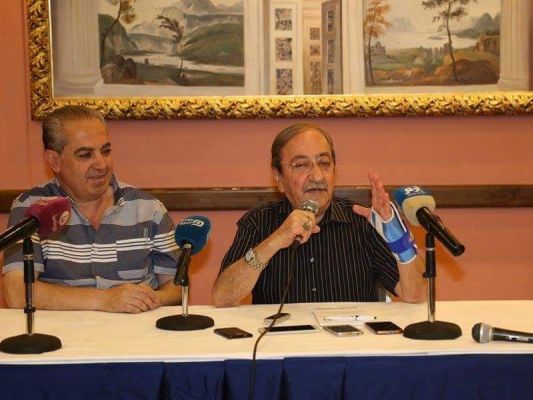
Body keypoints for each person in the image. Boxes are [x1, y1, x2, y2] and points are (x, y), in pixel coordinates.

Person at [212, 122, 427, 306]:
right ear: (278, 177)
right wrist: (275, 240)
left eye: (324, 163)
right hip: (282, 340)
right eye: (301, 165)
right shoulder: (258, 221)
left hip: (352, 341)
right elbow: (222, 297)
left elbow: (417, 295)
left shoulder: (362, 221)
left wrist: (399, 240)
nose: (317, 176)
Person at [1, 106, 181, 313]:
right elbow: (17, 292)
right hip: (62, 332)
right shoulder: (32, 209)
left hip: (135, 329)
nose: (101, 164)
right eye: (85, 155)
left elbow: (177, 286)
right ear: (54, 161)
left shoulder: (149, 209)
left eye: (106, 151)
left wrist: (150, 298)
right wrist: (105, 300)